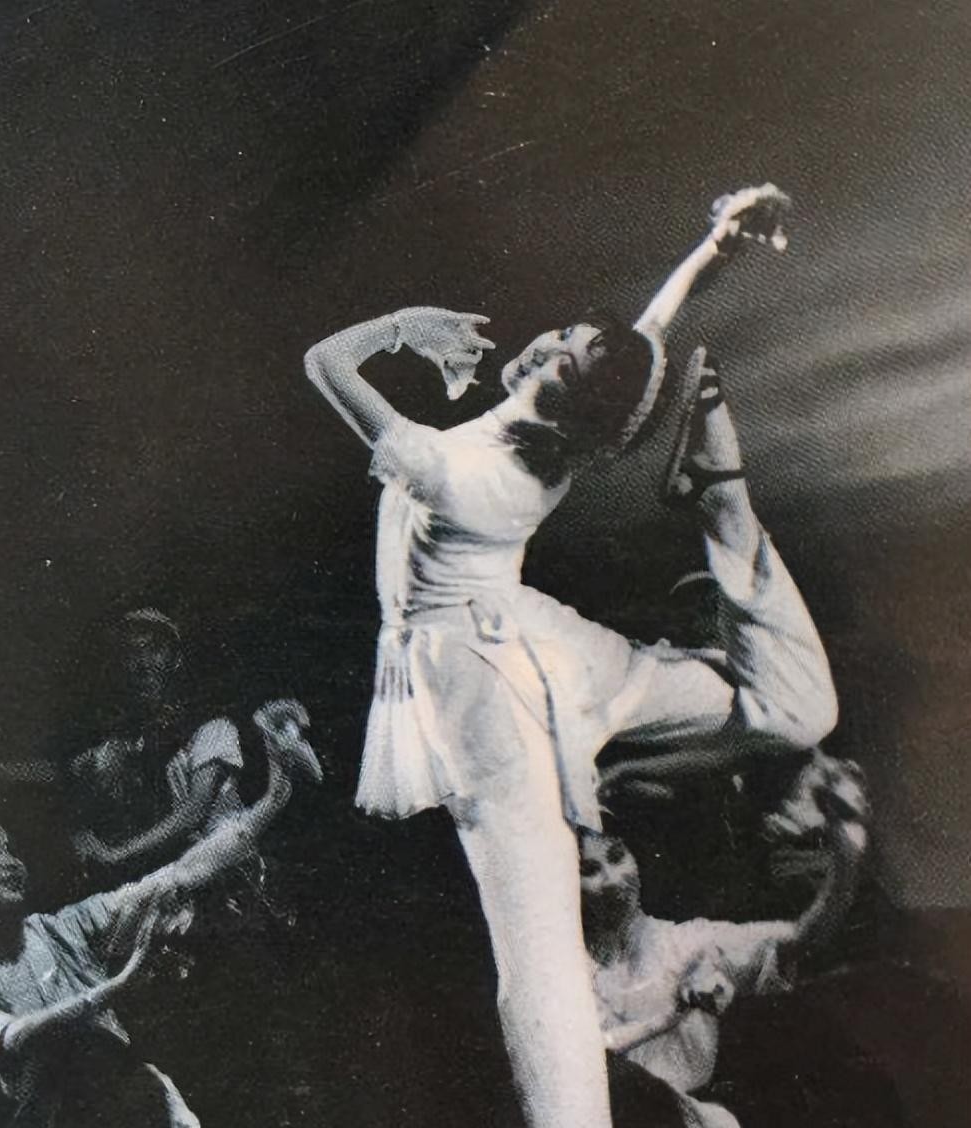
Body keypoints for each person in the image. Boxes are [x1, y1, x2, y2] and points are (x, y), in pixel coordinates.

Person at [303, 184, 837, 1127]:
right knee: (794, 712)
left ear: (570, 407)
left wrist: (401, 328)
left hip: (484, 686)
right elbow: (646, 338)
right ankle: (722, 509)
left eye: (562, 356)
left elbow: (322, 361)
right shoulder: (561, 449)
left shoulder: (451, 471)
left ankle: (722, 506)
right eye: (559, 335)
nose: (544, 342)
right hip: (535, 642)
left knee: (541, 948)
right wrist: (713, 247)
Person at [0, 700, 320, 1128]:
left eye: (11, 850)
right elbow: (14, 1037)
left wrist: (274, 795)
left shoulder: (64, 929)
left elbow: (184, 871)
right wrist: (116, 986)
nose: (11, 862)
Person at [580, 756, 869, 1128]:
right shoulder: (570, 967)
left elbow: (799, 936)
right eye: (589, 870)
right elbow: (588, 1059)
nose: (613, 879)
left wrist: (846, 860)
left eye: (617, 856)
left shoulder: (690, 942)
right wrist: (673, 1013)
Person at [68, 609, 322, 883]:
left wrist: (117, 854)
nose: (142, 663)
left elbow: (194, 811)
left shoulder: (213, 729)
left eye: (154, 650)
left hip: (227, 875)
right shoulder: (137, 745)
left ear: (175, 663)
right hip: (182, 877)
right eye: (133, 653)